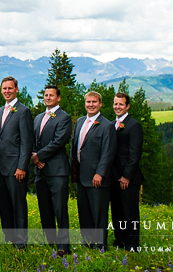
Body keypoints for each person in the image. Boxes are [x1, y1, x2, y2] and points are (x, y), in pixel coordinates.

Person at [70, 90, 116, 251]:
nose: (91, 105)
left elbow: (108, 152)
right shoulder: (80, 122)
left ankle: (100, 244)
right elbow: (75, 148)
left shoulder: (107, 125)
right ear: (85, 103)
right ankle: (87, 241)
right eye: (88, 102)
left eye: (94, 102)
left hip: (97, 177)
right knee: (84, 211)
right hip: (81, 175)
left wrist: (100, 173)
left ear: (100, 104)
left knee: (99, 212)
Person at [31, 85, 72, 254]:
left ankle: (64, 246)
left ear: (58, 98)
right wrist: (35, 157)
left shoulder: (64, 118)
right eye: (45, 95)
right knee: (44, 208)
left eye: (51, 95)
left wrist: (39, 156)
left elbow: (59, 141)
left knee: (59, 208)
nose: (47, 97)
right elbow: (32, 140)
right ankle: (50, 242)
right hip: (41, 171)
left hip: (57, 171)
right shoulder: (39, 118)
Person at [0, 76, 33, 249]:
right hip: (0, 167)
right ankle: (8, 237)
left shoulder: (23, 111)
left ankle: (20, 241)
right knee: (4, 204)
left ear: (17, 89)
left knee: (18, 205)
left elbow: (26, 142)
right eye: (4, 89)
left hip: (15, 167)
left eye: (10, 88)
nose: (7, 91)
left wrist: (22, 166)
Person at [110, 92, 144, 251]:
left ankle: (132, 245)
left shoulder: (134, 125)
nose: (117, 107)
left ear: (127, 106)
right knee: (117, 211)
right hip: (114, 176)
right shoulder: (111, 124)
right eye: (115, 104)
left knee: (130, 213)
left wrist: (126, 176)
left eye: (121, 104)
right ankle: (120, 240)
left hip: (128, 178)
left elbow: (134, 154)